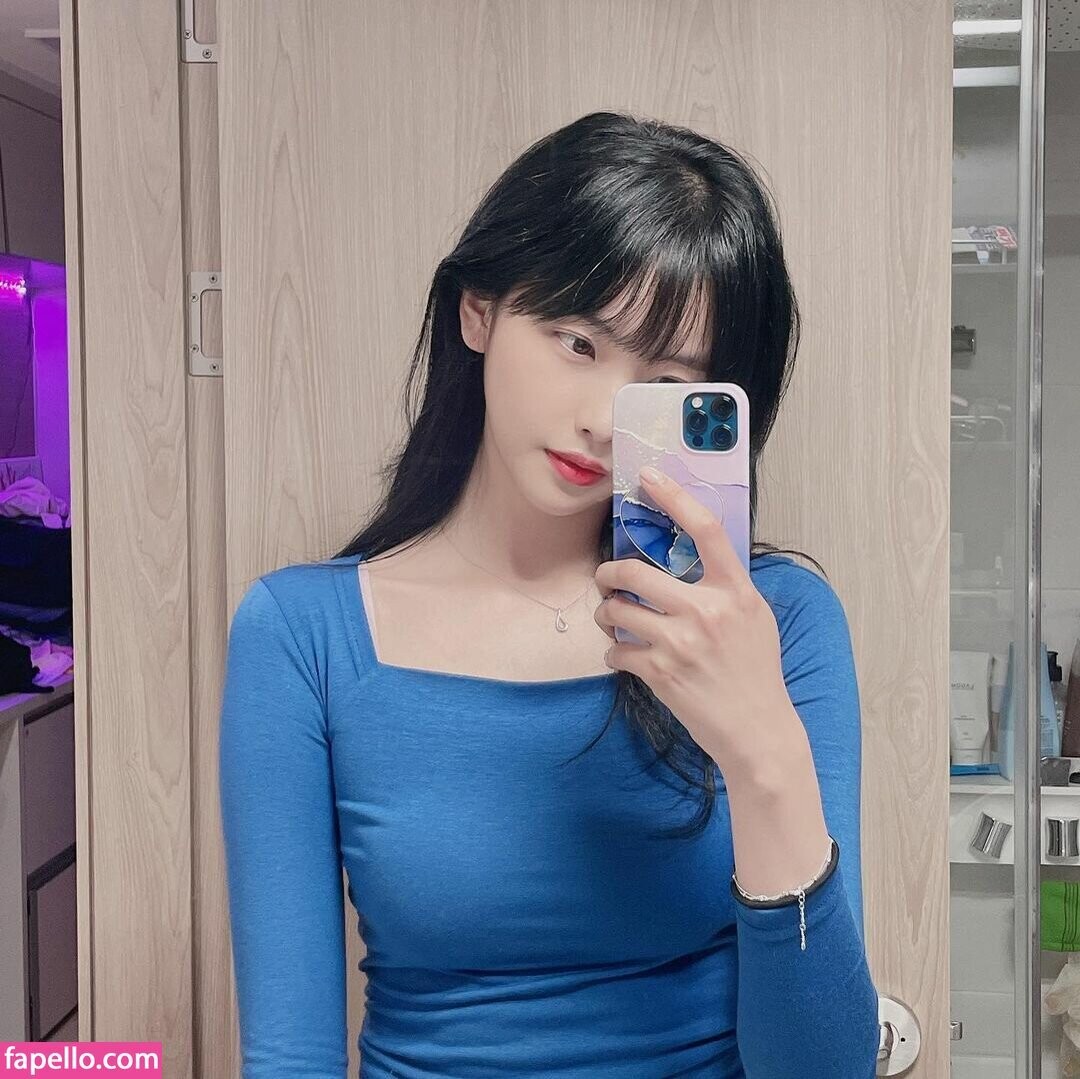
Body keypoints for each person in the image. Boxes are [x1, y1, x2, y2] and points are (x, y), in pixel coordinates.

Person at [218, 110, 880, 1078]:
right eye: (578, 342)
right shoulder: (302, 636)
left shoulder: (775, 624)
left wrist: (764, 753)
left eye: (664, 380)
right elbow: (289, 1056)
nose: (604, 419)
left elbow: (825, 1067)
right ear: (478, 310)